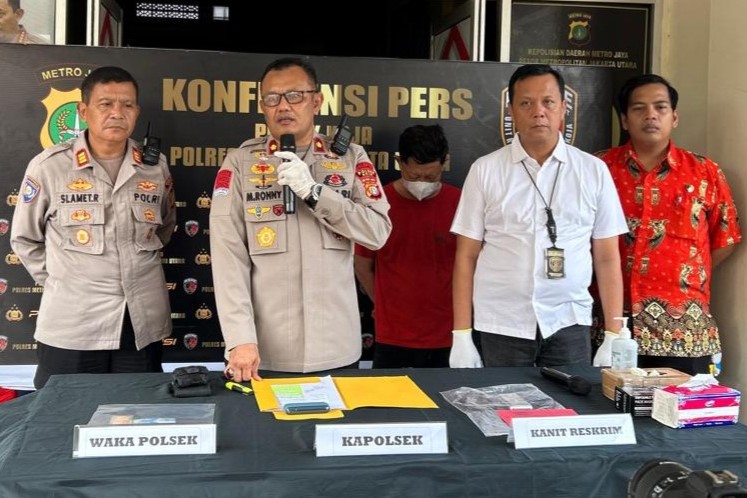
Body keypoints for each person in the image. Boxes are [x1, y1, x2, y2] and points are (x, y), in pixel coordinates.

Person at [210, 57, 391, 382]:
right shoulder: (240, 162)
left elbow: (377, 232)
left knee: (333, 433)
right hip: (266, 351)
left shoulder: (351, 158)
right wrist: (240, 338)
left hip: (336, 347)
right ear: (262, 106)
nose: (283, 106)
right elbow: (228, 259)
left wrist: (314, 192)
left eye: (295, 96)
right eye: (272, 98)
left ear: (317, 101)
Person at [449, 63, 628, 368]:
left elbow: (608, 257)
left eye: (548, 102)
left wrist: (614, 334)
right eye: (526, 103)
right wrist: (461, 334)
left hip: (569, 322)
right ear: (511, 110)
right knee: (501, 412)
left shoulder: (593, 171)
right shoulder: (485, 170)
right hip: (501, 324)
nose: (538, 112)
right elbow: (466, 257)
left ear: (563, 108)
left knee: (570, 413)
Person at [11, 66, 176, 389]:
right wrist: (66, 281)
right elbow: (25, 239)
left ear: (137, 111)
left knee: (136, 419)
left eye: (127, 105)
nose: (117, 113)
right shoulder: (50, 166)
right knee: (62, 422)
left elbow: (165, 228)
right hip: (73, 325)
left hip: (138, 326)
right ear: (83, 111)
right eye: (106, 104)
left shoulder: (155, 168)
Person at [595, 74, 741, 375]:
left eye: (660, 107)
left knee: (679, 418)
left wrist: (687, 271)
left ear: (674, 117)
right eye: (639, 108)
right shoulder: (599, 169)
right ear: (624, 120)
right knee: (607, 414)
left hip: (684, 331)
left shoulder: (705, 172)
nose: (650, 115)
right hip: (611, 326)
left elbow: (726, 238)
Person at [354, 124, 460, 368]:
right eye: (414, 176)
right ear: (400, 163)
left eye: (431, 177)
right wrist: (381, 303)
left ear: (444, 163)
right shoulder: (378, 205)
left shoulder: (460, 202)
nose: (422, 182)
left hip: (448, 332)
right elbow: (362, 264)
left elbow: (472, 264)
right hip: (392, 333)